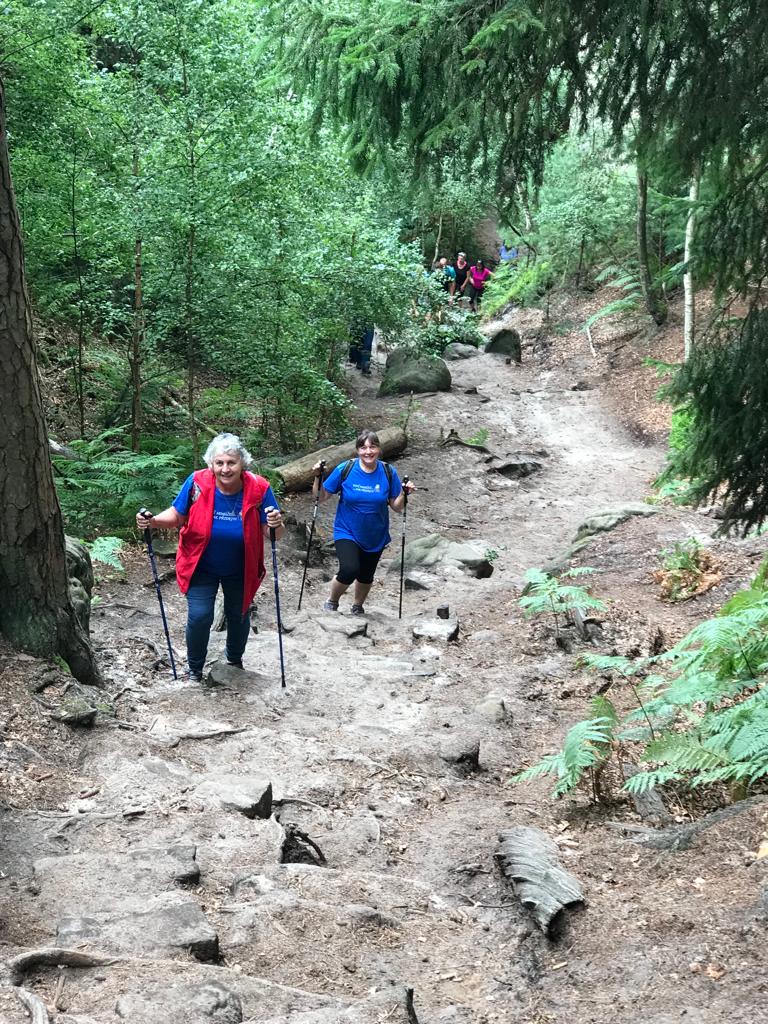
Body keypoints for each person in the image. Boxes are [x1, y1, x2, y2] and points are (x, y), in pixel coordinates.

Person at [135, 433, 284, 681]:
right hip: (200, 563)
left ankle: (234, 660)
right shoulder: (197, 482)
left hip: (242, 565)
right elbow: (178, 514)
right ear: (211, 464)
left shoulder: (259, 487)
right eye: (219, 463)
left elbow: (273, 533)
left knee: (239, 613)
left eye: (231, 462)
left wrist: (276, 523)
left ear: (242, 463)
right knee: (200, 616)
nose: (225, 469)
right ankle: (194, 668)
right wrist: (153, 521)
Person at [312, 430, 415, 615]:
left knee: (366, 575)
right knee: (349, 569)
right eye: (363, 447)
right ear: (358, 450)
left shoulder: (388, 472)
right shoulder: (346, 469)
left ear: (379, 449)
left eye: (372, 447)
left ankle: (357, 606)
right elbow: (321, 496)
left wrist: (404, 494)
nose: (368, 451)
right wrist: (318, 476)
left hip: (375, 534)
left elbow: (397, 506)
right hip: (347, 530)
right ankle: (332, 601)